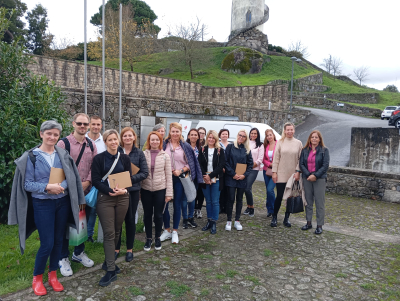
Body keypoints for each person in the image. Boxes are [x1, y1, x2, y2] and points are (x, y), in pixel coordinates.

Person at [8, 120, 85, 296]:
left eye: (55, 134)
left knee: (59, 240)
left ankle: (53, 275)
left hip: (62, 202)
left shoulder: (62, 154)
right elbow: (27, 184)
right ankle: (37, 278)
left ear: (59, 137)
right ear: (41, 134)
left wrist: (62, 185)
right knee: (47, 243)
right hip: (42, 204)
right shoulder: (31, 157)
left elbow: (70, 176)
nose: (52, 137)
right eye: (48, 133)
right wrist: (47, 187)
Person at [57, 113, 97, 276]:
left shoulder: (92, 145)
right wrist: (72, 185)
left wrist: (87, 182)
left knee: (81, 224)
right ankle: (62, 257)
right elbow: (57, 167)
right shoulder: (63, 143)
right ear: (73, 124)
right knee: (65, 225)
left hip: (85, 193)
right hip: (67, 193)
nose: (82, 126)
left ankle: (78, 253)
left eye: (85, 124)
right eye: (79, 123)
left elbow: (95, 167)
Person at [91, 129, 132, 287]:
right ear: (105, 142)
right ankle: (110, 270)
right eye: (110, 140)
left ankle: (108, 262)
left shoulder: (125, 158)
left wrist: (125, 190)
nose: (114, 142)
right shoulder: (99, 159)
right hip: (106, 199)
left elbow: (128, 177)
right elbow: (95, 180)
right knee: (109, 233)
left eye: (116, 139)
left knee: (116, 230)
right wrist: (109, 191)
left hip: (123, 198)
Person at [160, 122, 203, 244]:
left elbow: (192, 163)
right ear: (170, 132)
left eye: (177, 131)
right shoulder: (164, 144)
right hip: (166, 177)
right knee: (165, 203)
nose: (175, 134)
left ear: (180, 133)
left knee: (177, 204)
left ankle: (175, 231)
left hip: (180, 178)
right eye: (173, 131)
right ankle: (166, 229)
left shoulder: (186, 146)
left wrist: (181, 170)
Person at [115, 127, 149, 262]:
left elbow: (144, 173)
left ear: (134, 137)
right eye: (125, 136)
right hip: (116, 190)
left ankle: (129, 249)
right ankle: (116, 248)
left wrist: (129, 180)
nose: (127, 138)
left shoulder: (139, 153)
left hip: (132, 191)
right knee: (117, 221)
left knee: (130, 219)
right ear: (121, 138)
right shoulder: (115, 151)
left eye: (130, 136)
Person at [141, 132, 173, 250]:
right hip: (146, 189)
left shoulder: (165, 155)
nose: (154, 142)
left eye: (157, 140)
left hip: (160, 189)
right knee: (147, 215)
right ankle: (149, 238)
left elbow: (168, 175)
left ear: (160, 142)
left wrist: (169, 193)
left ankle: (158, 237)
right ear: (149, 141)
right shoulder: (143, 154)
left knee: (159, 215)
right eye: (152, 140)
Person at [271, 122, 303, 228]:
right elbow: (276, 158)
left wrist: (298, 172)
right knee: (279, 196)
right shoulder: (280, 142)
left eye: (291, 129)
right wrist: (274, 172)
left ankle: (286, 218)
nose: (289, 131)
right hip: (281, 173)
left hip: (293, 175)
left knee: (290, 197)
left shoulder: (298, 143)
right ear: (284, 131)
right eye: (287, 130)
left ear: (294, 130)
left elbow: (301, 159)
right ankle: (274, 217)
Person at [299, 130, 330, 234]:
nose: (314, 139)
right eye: (312, 137)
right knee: (308, 202)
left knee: (319, 203)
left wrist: (315, 175)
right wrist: (308, 175)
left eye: (316, 137)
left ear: (319, 139)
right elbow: (301, 164)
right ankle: (308, 223)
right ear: (309, 139)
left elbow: (325, 166)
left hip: (319, 179)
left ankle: (319, 225)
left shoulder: (324, 151)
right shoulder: (304, 150)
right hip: (307, 178)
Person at [224, 130, 253, 231]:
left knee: (239, 199)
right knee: (230, 199)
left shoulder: (247, 149)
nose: (241, 137)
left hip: (242, 178)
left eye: (244, 136)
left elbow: (250, 164)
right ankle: (228, 220)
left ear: (246, 138)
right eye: (240, 135)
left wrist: (244, 175)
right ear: (237, 136)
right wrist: (233, 173)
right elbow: (225, 161)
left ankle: (237, 220)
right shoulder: (230, 147)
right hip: (231, 177)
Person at [198, 130, 226, 234]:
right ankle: (209, 221)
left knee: (215, 201)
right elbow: (199, 164)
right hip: (205, 178)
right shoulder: (202, 149)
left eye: (213, 138)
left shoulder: (220, 150)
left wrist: (210, 176)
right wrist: (205, 177)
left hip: (216, 179)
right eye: (209, 137)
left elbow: (221, 165)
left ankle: (214, 222)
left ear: (216, 139)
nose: (211, 139)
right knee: (208, 201)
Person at [86, 115, 106, 243]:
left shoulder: (104, 141)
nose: (96, 127)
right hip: (83, 179)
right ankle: (79, 235)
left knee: (93, 208)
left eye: (98, 124)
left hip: (99, 180)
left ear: (101, 126)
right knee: (82, 209)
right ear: (89, 125)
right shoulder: (84, 139)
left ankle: (89, 235)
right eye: (93, 124)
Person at [243, 128, 264, 217]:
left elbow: (260, 159)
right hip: (244, 168)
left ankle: (252, 207)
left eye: (255, 133)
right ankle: (248, 206)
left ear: (257, 135)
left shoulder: (260, 145)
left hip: (253, 169)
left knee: (247, 188)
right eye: (252, 133)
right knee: (247, 188)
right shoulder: (246, 143)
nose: (253, 135)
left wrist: (251, 165)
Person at [187, 128, 203, 222]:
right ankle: (185, 216)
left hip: (196, 176)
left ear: (198, 137)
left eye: (195, 135)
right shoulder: (184, 147)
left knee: (193, 196)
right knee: (184, 197)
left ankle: (190, 216)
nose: (193, 136)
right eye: (191, 134)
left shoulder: (201, 149)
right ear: (188, 136)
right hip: (185, 176)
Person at [262, 129, 277, 217]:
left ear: (273, 135)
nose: (269, 137)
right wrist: (269, 164)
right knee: (268, 190)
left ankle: (274, 209)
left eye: (270, 135)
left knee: (270, 190)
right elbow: (263, 159)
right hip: (266, 170)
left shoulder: (279, 144)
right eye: (267, 136)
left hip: (276, 171)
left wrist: (274, 165)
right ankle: (269, 209)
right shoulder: (265, 146)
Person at [218, 129, 230, 214]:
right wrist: (221, 167)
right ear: (220, 135)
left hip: (229, 169)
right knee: (220, 188)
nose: (224, 135)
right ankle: (219, 206)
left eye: (226, 134)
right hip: (220, 169)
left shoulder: (231, 145)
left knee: (227, 189)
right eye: (223, 134)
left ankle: (226, 207)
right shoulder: (217, 145)